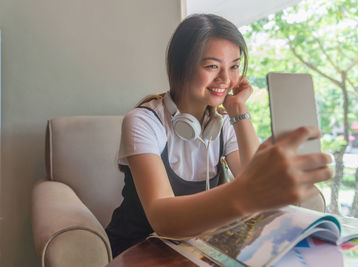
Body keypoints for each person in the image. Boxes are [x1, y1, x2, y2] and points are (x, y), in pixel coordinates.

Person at [105, 13, 333, 257]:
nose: (226, 79)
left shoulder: (222, 122)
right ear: (181, 67)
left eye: (234, 66)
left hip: (198, 250)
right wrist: (246, 193)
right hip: (139, 250)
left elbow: (255, 179)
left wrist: (238, 111)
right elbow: (161, 217)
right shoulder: (143, 121)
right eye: (212, 66)